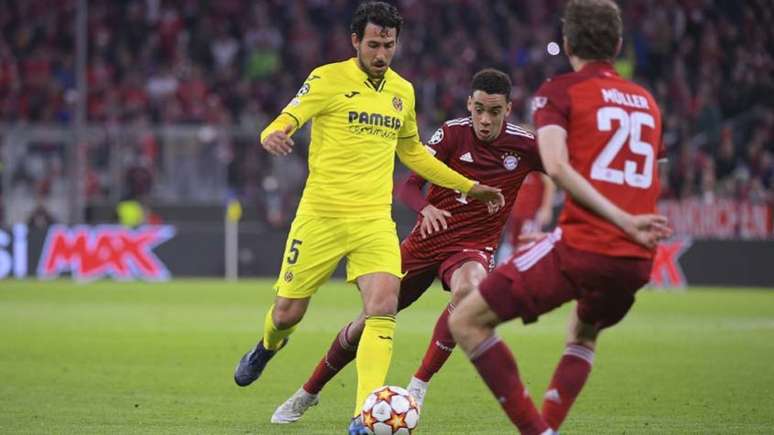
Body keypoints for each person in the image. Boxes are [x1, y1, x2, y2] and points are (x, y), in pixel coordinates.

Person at [231, 3, 503, 434]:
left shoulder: (403, 91)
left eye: (389, 45)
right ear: (355, 41)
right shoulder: (326, 78)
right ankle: (267, 346)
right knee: (287, 313)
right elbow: (288, 117)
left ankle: (364, 415)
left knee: (383, 306)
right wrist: (272, 133)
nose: (381, 53)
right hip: (321, 216)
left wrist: (468, 186)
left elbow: (413, 153)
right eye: (373, 44)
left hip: (374, 220)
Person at [268, 68, 543, 424]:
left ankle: (418, 385)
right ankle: (308, 392)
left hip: (473, 246)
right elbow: (409, 186)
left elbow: (567, 170)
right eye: (478, 109)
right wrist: (425, 208)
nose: (484, 120)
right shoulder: (452, 134)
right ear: (469, 105)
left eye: (494, 111)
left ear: (508, 109)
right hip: (425, 243)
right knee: (370, 319)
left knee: (470, 291)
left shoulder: (525, 145)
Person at [448, 1, 672, 434]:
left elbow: (555, 166)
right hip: (636, 260)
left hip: (585, 246)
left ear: (567, 43)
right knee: (584, 331)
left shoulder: (559, 90)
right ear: (618, 44)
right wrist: (631, 225)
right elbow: (648, 177)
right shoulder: (647, 102)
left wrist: (616, 222)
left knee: (466, 320)